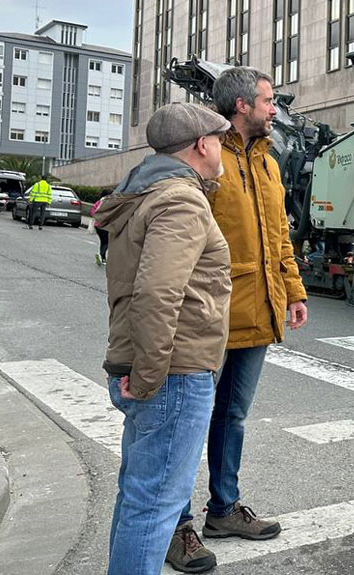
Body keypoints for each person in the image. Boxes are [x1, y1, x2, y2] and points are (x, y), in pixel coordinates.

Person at [165, 66, 308, 574]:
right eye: (269, 101)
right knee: (190, 420)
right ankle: (176, 524)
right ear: (242, 105)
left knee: (233, 417)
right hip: (209, 313)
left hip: (260, 306)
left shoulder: (268, 161)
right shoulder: (204, 153)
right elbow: (179, 235)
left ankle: (223, 510)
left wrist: (292, 290)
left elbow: (280, 234)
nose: (275, 110)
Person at [94, 102, 233, 575]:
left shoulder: (143, 192)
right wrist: (150, 376)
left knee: (139, 498)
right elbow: (157, 293)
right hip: (173, 373)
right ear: (201, 145)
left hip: (151, 368)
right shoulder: (181, 198)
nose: (223, 151)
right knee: (154, 506)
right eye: (220, 141)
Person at [90, 189, 111, 265]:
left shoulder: (98, 202)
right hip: (105, 225)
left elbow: (92, 212)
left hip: (97, 225)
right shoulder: (108, 202)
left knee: (103, 241)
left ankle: (101, 255)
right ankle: (102, 257)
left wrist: (97, 218)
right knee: (106, 242)